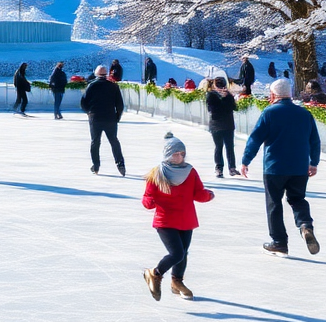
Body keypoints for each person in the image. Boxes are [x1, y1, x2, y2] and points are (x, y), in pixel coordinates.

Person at [241, 79, 322, 256]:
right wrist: (313, 162)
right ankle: (305, 225)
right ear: (290, 94)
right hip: (299, 167)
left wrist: (246, 160)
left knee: (274, 203)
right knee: (297, 199)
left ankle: (279, 242)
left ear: (272, 95)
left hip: (274, 167)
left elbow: (255, 138)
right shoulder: (304, 114)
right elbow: (314, 140)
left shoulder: (269, 113)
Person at [140, 132, 215, 301]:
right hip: (165, 220)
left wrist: (208, 195)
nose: (180, 157)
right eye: (176, 154)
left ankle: (177, 282)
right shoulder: (158, 173)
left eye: (182, 154)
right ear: (167, 154)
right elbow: (147, 197)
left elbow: (198, 193)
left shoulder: (190, 172)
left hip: (186, 220)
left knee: (183, 253)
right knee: (176, 253)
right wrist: (149, 202)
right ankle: (154, 273)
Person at [80, 65, 126, 176]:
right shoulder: (113, 86)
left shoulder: (91, 86)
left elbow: (83, 102)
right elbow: (120, 104)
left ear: (96, 74)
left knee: (95, 142)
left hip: (95, 118)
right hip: (110, 118)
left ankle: (96, 165)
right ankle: (120, 165)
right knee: (114, 141)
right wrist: (117, 117)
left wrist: (89, 113)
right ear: (106, 74)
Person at [205, 77, 239, 178]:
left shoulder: (228, 95)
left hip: (228, 125)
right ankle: (219, 168)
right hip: (216, 126)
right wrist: (223, 99)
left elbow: (234, 107)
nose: (222, 87)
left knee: (230, 147)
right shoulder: (211, 95)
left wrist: (228, 97)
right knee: (219, 147)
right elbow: (213, 111)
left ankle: (232, 168)